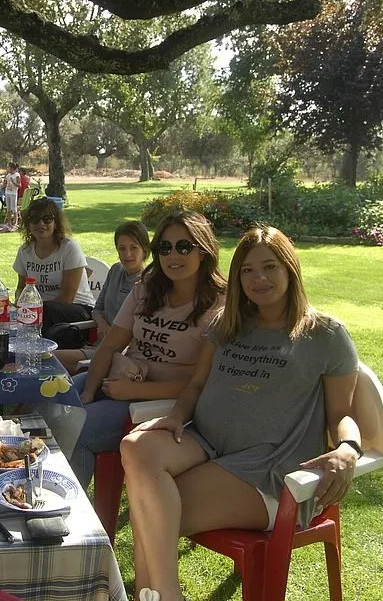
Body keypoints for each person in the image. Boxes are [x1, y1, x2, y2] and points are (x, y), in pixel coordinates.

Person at [121, 226, 362, 601]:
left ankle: (155, 594)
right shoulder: (228, 324)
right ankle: (160, 594)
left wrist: (349, 448)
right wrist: (177, 415)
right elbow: (196, 386)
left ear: (290, 269)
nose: (258, 278)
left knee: (150, 505)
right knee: (136, 447)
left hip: (268, 467)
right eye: (247, 270)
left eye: (269, 267)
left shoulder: (325, 335)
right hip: (207, 441)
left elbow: (340, 414)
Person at [66, 212, 226, 488]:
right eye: (165, 247)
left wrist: (135, 391)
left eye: (183, 247)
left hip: (165, 402)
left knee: (76, 429)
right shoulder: (147, 289)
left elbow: (204, 382)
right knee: (56, 404)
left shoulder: (220, 303)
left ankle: (65, 506)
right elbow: (111, 344)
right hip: (121, 378)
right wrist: (90, 391)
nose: (173, 255)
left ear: (203, 250)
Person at [54, 220, 152, 375]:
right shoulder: (116, 270)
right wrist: (103, 325)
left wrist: (112, 339)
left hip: (122, 355)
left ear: (145, 249)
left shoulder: (148, 283)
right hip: (99, 346)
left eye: (134, 248)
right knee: (48, 358)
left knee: (50, 360)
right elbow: (97, 309)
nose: (127, 254)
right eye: (122, 248)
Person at [12, 198, 97, 338]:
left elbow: (67, 297)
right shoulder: (25, 251)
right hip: (41, 313)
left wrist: (32, 310)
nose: (41, 224)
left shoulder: (69, 247)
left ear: (56, 222)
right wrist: (19, 305)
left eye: (47, 219)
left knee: (44, 313)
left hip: (79, 312)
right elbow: (21, 287)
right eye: (34, 219)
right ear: (28, 223)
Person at [3, 162, 21, 227]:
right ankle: (9, 222)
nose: (7, 168)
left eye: (8, 167)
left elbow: (19, 185)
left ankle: (15, 222)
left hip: (13, 193)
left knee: (14, 208)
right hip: (7, 192)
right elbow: (4, 184)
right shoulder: (8, 175)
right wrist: (3, 182)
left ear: (12, 168)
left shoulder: (17, 175)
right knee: (8, 208)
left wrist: (13, 182)